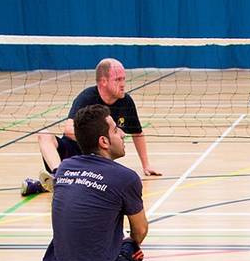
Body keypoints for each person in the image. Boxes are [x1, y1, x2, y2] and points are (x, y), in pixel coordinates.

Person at [43, 105, 161, 261]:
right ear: (104, 142)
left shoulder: (64, 168)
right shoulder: (126, 177)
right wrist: (131, 246)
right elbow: (140, 231)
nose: (123, 134)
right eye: (116, 129)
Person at [24, 58, 160, 195]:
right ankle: (58, 175)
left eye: (124, 79)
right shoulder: (87, 98)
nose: (123, 84)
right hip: (72, 154)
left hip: (97, 158)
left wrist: (146, 165)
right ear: (103, 81)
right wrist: (97, 136)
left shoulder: (126, 102)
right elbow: (69, 130)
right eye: (118, 80)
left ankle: (48, 184)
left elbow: (137, 133)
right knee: (44, 134)